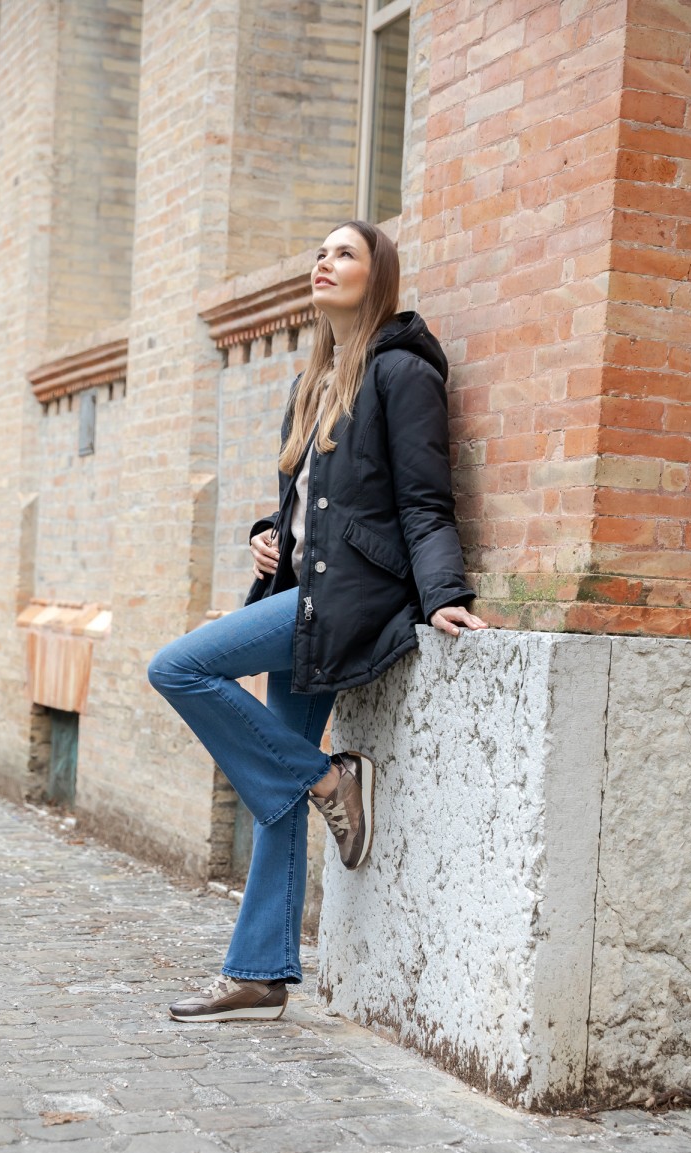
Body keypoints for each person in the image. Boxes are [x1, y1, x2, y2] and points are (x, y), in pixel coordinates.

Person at [148, 220, 487, 1023]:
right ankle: (260, 971)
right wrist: (270, 536)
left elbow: (423, 501)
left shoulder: (401, 373)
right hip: (299, 594)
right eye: (319, 254)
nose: (324, 264)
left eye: (344, 254)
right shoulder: (316, 381)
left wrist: (443, 593)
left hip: (348, 602)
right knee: (275, 783)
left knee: (178, 666)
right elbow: (310, 508)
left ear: (378, 276)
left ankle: (326, 778)